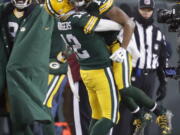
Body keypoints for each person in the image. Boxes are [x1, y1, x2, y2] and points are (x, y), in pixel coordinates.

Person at [44, 0, 125, 134]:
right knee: (111, 116)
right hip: (100, 70)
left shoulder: (59, 24)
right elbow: (117, 25)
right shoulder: (78, 19)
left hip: (85, 71)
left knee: (96, 115)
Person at [115, 0, 173, 135]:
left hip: (150, 77)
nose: (146, 12)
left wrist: (165, 82)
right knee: (125, 114)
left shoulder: (158, 32)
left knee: (146, 117)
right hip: (131, 75)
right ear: (138, 8)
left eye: (149, 9)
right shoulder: (129, 26)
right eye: (143, 9)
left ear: (153, 10)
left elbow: (164, 58)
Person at [0, 0, 55, 134]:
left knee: (40, 107)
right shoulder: (5, 11)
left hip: (40, 68)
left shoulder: (44, 12)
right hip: (10, 67)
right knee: (15, 109)